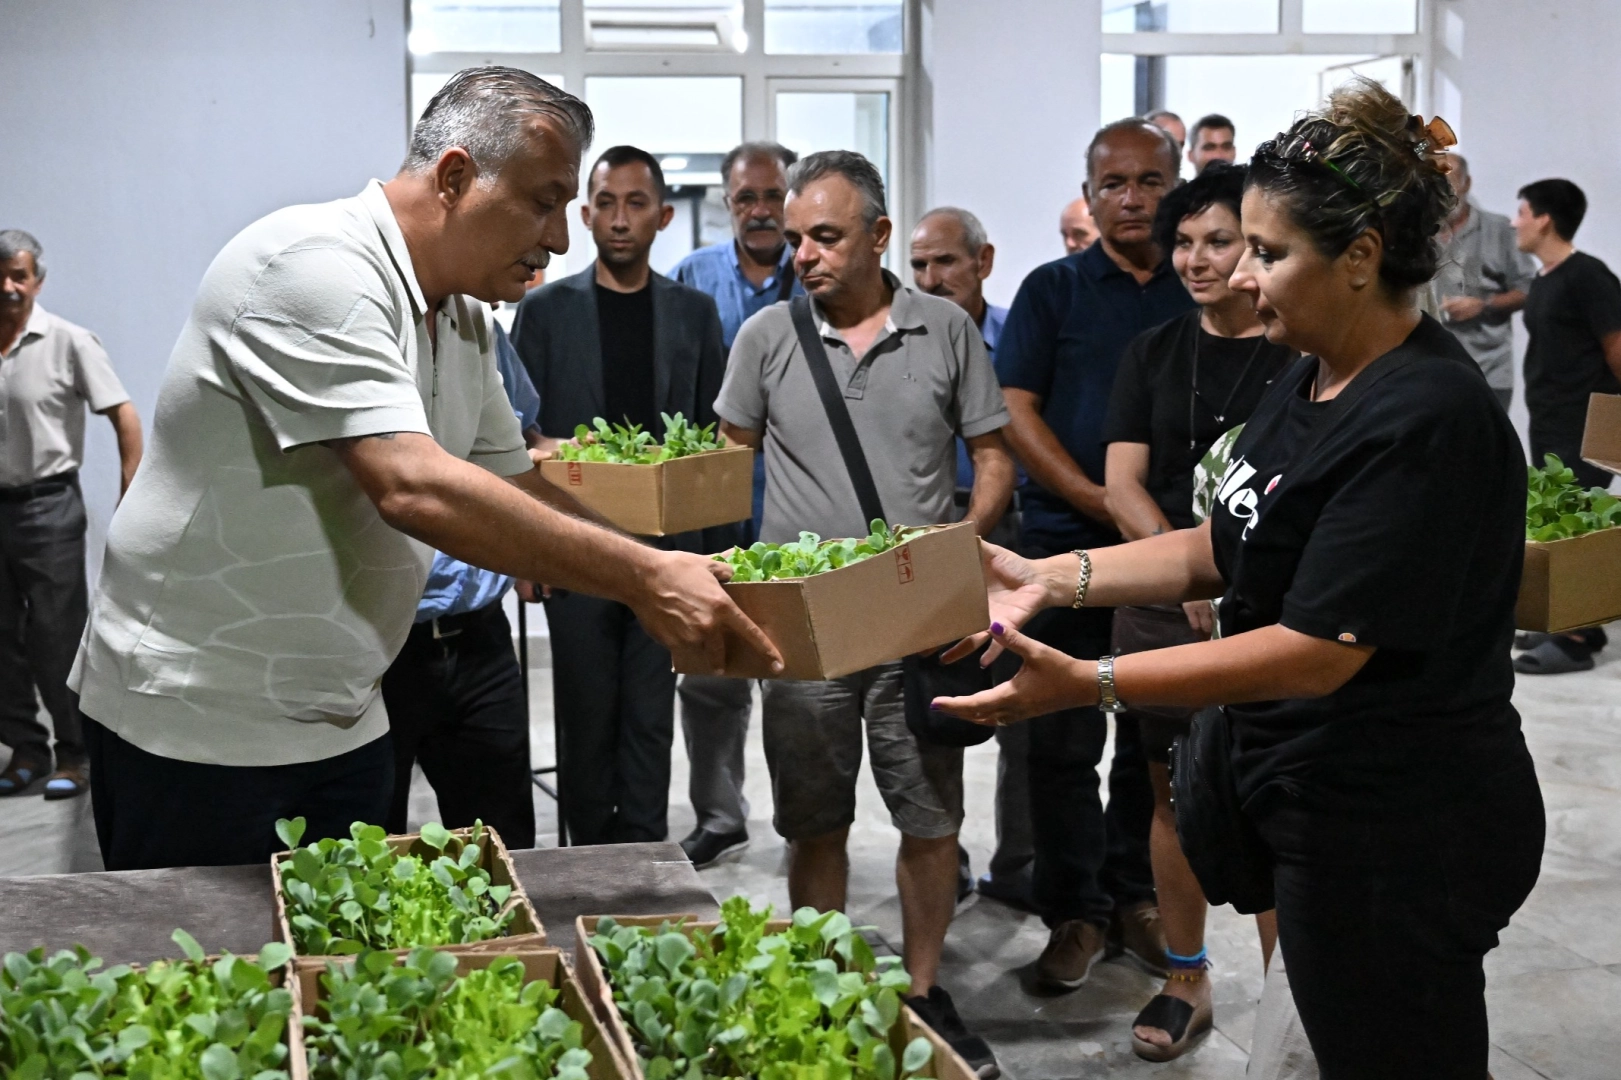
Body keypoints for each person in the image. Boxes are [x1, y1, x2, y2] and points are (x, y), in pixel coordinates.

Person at [936, 80, 1544, 1080]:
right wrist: (1048, 576)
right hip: (1314, 810)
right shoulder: (1308, 375)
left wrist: (1087, 684)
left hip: (1401, 827)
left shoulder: (1423, 418)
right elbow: (1221, 543)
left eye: (1268, 253)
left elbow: (1315, 654)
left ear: (1359, 259)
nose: (1240, 278)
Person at [68, 67, 779, 872]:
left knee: (345, 976)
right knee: (215, 981)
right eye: (545, 201)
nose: (559, 239)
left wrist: (663, 564)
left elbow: (517, 483)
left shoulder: (464, 320)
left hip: (342, 707)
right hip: (197, 712)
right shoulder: (312, 266)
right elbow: (410, 484)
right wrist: (645, 579)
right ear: (454, 177)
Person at [716, 150, 1014, 1078]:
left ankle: (923, 993)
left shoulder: (946, 331)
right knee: (814, 821)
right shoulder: (766, 335)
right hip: (802, 632)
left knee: (930, 821)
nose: (800, 253)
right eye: (794, 237)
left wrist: (956, 549)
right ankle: (820, 981)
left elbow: (993, 457)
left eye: (825, 236)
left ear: (880, 236)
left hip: (915, 622)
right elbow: (727, 463)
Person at [1101, 163, 1294, 1060]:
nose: (1195, 258)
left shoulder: (1301, 350)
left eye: (1218, 240)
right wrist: (1181, 581)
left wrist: (1228, 583)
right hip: (1160, 599)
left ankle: (1289, 999)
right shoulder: (1152, 352)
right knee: (1170, 791)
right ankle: (1185, 974)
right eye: (1182, 242)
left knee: (1273, 796)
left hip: (1274, 603)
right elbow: (1122, 482)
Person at [996, 117, 1193, 990]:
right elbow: (1015, 410)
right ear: (1088, 192)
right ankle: (1072, 912)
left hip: (1176, 554)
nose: (1131, 198)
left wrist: (1145, 523)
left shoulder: (1203, 289)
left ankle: (1135, 897)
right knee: (1061, 736)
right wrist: (1093, 498)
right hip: (1063, 546)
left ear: (1177, 182)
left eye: (1149, 180)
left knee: (1154, 738)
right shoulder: (1053, 290)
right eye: (1112, 183)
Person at [510, 145, 728, 846]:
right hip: (576, 549)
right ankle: (585, 868)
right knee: (583, 714)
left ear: (663, 216)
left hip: (669, 555)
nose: (620, 219)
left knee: (648, 718)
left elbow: (711, 447)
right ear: (584, 214)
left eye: (636, 204)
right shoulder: (544, 313)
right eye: (605, 203)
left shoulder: (694, 315)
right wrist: (526, 549)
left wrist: (716, 554)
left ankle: (641, 862)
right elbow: (522, 437)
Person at [668, 140, 803, 869]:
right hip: (713, 512)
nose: (759, 210)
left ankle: (802, 818)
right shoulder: (692, 279)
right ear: (727, 202)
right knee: (709, 669)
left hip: (795, 506)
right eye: (746, 198)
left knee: (797, 673)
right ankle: (719, 814)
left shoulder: (814, 282)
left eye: (772, 196)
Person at [381, 313, 544, 849]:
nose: (551, 248)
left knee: (503, 842)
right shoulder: (372, 327)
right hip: (383, 646)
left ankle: (513, 940)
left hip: (480, 640)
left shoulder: (479, 330)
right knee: (370, 844)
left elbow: (521, 446)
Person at [908, 206, 1030, 909]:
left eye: (945, 262)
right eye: (919, 265)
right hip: (930, 536)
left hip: (1006, 530)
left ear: (982, 262)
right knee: (941, 704)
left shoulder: (1017, 337)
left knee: (1019, 704)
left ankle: (1017, 865)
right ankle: (943, 856)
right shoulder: (907, 341)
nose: (931, 278)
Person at [0, 230, 143, 800]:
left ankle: (75, 753)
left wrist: (129, 495)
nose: (9, 287)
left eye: (19, 275)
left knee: (58, 638)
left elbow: (124, 415)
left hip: (49, 507)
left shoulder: (68, 341)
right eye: (1, 275)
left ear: (37, 281)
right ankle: (26, 751)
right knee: (1, 638)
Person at [1511, 177, 1621, 674]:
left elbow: (1617, 348)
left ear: (1543, 219)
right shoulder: (1546, 277)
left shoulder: (1588, 275)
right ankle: (1574, 620)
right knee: (1555, 515)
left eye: (1521, 211)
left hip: (1584, 421)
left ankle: (1577, 639)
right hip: (1551, 417)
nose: (1515, 221)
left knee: (1576, 524)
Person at [1433, 153, 1534, 412]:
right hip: (1429, 368)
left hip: (1487, 370)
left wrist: (1483, 304)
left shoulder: (1499, 230)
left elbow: (1530, 288)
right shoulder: (1418, 232)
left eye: (1450, 181)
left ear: (1467, 183)